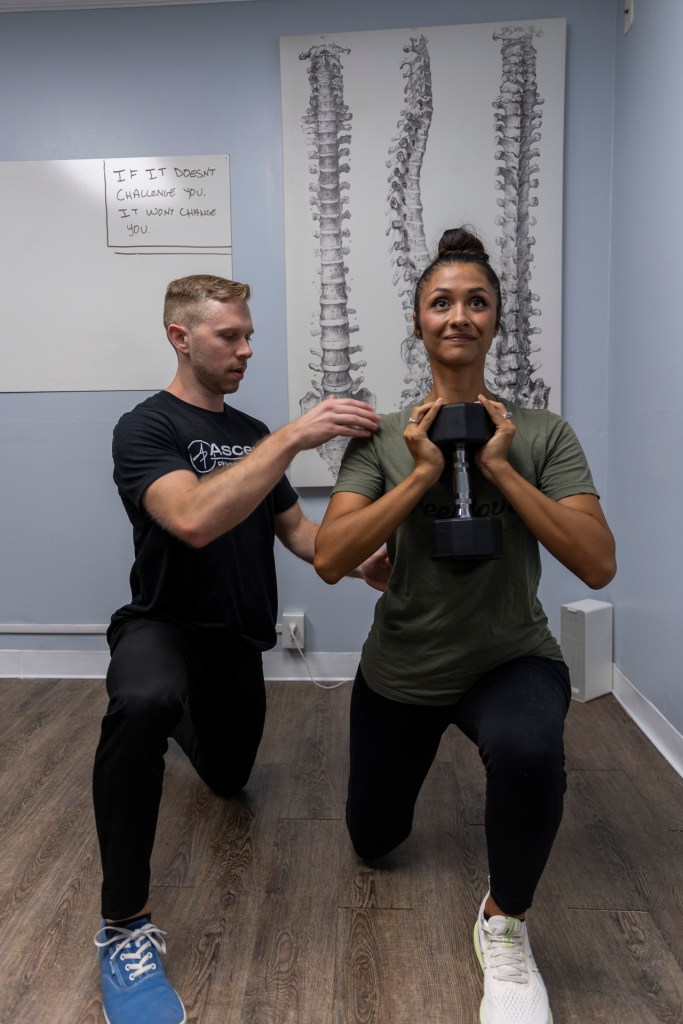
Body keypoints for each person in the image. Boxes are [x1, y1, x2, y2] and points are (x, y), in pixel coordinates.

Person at [314, 227, 616, 1024]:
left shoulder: (541, 434)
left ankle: (504, 924)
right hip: (403, 666)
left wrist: (499, 469)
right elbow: (330, 556)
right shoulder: (382, 437)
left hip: (507, 656)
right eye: (440, 302)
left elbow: (596, 563)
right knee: (373, 842)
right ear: (418, 322)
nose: (458, 316)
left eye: (475, 302)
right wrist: (418, 473)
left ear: (495, 321)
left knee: (528, 751)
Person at [92, 274, 389, 1024]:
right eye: (230, 335)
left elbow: (299, 534)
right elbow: (191, 518)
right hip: (160, 624)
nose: (246, 349)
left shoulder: (252, 435)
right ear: (180, 336)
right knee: (144, 698)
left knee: (228, 777)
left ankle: (175, 715)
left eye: (248, 334)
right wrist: (294, 435)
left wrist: (366, 564)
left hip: (234, 645)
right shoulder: (145, 428)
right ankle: (123, 926)